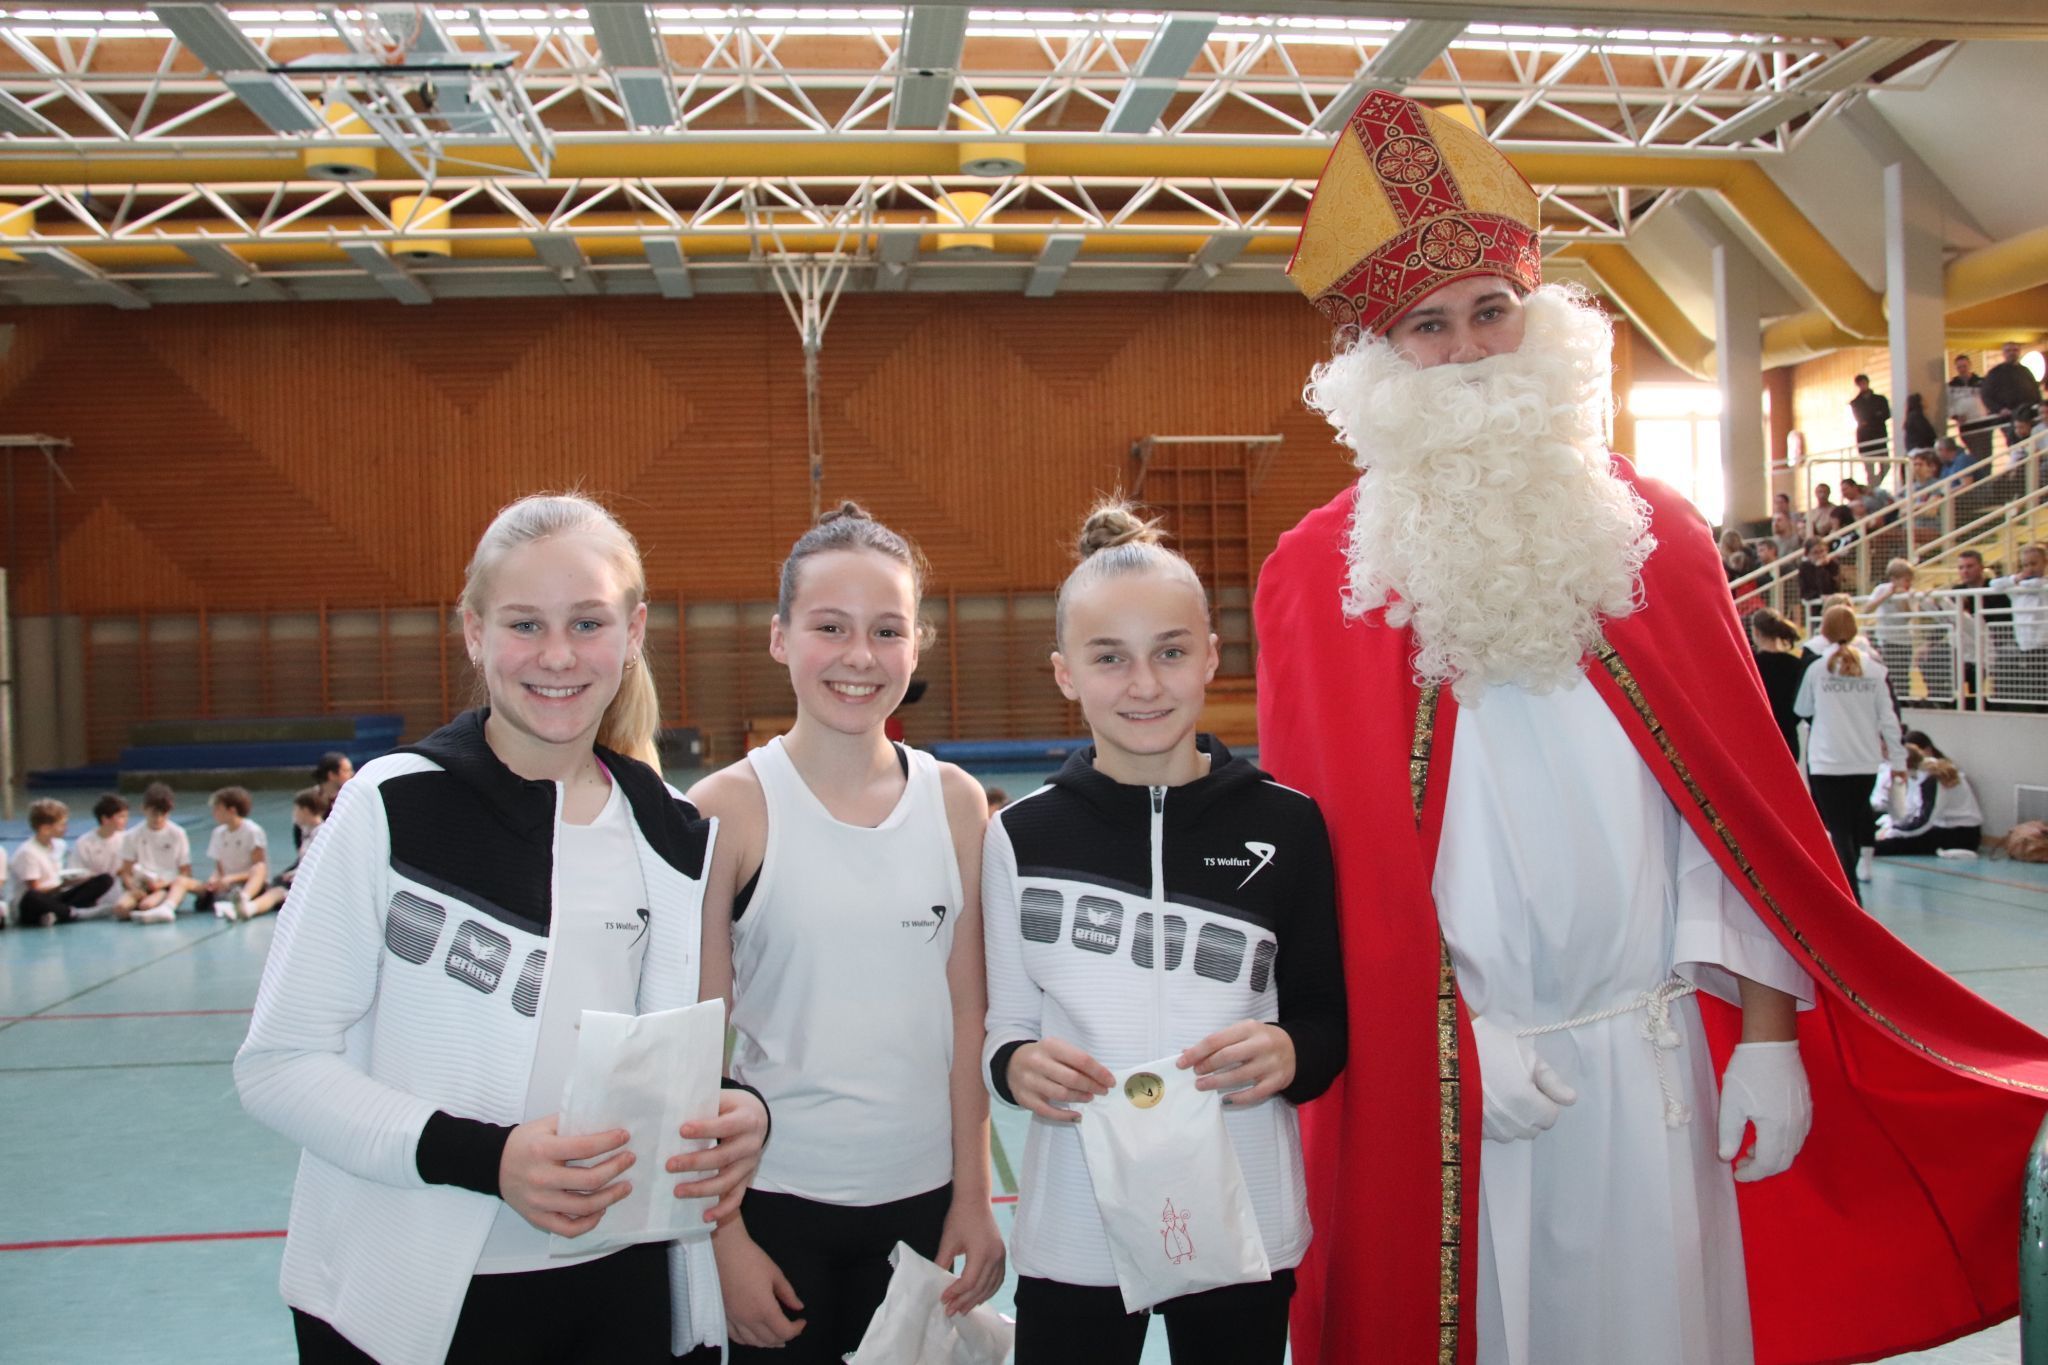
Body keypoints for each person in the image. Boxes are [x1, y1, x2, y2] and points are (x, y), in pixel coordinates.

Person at [1259, 88, 2048, 1365]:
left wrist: (1771, 1041)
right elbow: (1335, 875)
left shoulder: (1653, 536)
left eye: (1491, 311)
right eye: (1426, 325)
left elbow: (1735, 825)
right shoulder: (1320, 574)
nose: (1468, 349)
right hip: (1462, 1078)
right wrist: (1444, 1039)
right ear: (1373, 356)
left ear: (1539, 317)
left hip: (1657, 1054)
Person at [237, 493, 770, 1365]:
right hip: (411, 1302)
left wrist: (738, 1112)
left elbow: (663, 1064)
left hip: (621, 1288)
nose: (557, 656)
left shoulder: (673, 831)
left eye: (587, 622)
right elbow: (279, 1066)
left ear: (633, 632)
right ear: (475, 633)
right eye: (525, 623)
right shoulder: (391, 805)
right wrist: (489, 1159)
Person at [982, 502, 1345, 1365]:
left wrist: (1292, 1051)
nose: (1143, 684)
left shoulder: (1288, 826)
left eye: (1171, 652)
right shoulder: (1021, 836)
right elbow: (1005, 1029)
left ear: (1212, 657)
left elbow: (1327, 1019)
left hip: (1241, 1213)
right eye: (1110, 658)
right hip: (1076, 1222)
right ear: (1066, 672)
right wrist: (1016, 1065)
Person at [689, 503, 1004, 1363]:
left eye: (887, 630)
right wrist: (722, 1242)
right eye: (830, 627)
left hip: (923, 1207)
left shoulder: (954, 803)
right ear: (781, 637)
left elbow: (968, 1015)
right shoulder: (729, 810)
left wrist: (973, 1197)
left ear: (917, 643)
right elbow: (693, 1052)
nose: (860, 657)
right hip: (776, 1211)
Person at [1794, 607, 1904, 898]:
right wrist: (1898, 760)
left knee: (1839, 828)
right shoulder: (1876, 670)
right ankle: (1850, 886)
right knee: (1853, 825)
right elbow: (1889, 719)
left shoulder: (1817, 669)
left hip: (1827, 761)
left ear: (1825, 631)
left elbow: (1802, 709)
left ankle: (1849, 893)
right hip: (1864, 761)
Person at [7, 799, 115, 927]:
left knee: (104, 879)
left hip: (55, 894)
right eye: (62, 825)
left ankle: (57, 913)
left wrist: (77, 881)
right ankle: (72, 913)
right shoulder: (27, 852)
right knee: (33, 897)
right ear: (46, 829)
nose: (66, 828)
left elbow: (56, 877)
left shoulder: (59, 845)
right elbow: (35, 889)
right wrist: (63, 884)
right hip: (31, 904)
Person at [1875, 731, 1982, 857]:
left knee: (1896, 844)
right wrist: (1892, 825)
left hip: (1961, 834)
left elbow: (1925, 820)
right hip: (1940, 826)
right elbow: (1911, 810)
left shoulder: (1932, 777)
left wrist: (1895, 831)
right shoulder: (1918, 773)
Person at [240, 787, 330, 921]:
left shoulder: (323, 833)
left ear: (305, 810)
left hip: (313, 886)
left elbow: (320, 864)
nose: (294, 814)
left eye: (296, 810)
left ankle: (249, 908)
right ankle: (246, 903)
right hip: (299, 879)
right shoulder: (305, 832)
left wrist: (297, 875)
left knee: (276, 893)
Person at [121, 782, 198, 923]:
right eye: (154, 814)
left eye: (164, 814)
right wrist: (132, 887)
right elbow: (126, 871)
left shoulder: (178, 833)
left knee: (146, 905)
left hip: (167, 883)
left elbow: (185, 872)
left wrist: (163, 884)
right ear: (144, 809)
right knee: (120, 909)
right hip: (142, 884)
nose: (158, 819)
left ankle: (158, 905)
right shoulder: (132, 835)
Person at [1748, 610, 1815, 760]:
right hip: (1788, 736)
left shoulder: (1751, 666)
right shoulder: (1796, 665)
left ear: (1756, 632)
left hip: (1757, 738)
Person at [195, 785, 269, 921]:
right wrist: (214, 879)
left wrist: (232, 878)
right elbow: (219, 868)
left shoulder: (252, 831)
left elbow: (259, 868)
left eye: (218, 809)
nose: (214, 813)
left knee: (259, 868)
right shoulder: (218, 833)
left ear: (232, 810)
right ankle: (227, 905)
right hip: (227, 885)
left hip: (247, 883)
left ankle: (243, 899)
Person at [1990, 542, 2048, 711]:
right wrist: (2015, 578)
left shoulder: (2044, 584)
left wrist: (2022, 583)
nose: (2029, 569)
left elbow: (2036, 584)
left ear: (2045, 562)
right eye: (2025, 565)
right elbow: (1994, 584)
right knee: (2033, 689)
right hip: (2025, 646)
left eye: (2034, 563)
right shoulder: (2015, 589)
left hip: (2044, 645)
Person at [69, 792, 138, 919]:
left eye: (126, 816)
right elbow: (76, 875)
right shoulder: (84, 843)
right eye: (121, 817)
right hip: (95, 889)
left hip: (119, 887)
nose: (125, 820)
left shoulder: (126, 838)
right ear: (105, 819)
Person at [1862, 558, 1922, 693]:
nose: (1909, 583)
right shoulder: (1881, 589)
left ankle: (1904, 700)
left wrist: (1903, 598)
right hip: (1886, 639)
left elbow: (1908, 617)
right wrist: (1887, 595)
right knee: (1887, 674)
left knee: (1903, 676)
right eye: (1906, 580)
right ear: (1894, 579)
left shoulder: (1910, 593)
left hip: (1905, 641)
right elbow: (1867, 609)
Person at [1982, 341, 2043, 445]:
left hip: (2029, 415)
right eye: (2008, 350)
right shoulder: (1995, 373)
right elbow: (1986, 395)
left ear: (2019, 352)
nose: (2012, 353)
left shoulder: (2025, 371)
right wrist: (1999, 409)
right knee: (2016, 444)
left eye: (2015, 350)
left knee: (2033, 443)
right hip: (2008, 418)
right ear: (2003, 353)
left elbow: (2036, 391)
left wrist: (2039, 407)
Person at [1849, 374, 1891, 484]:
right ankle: (1873, 487)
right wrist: (1875, 416)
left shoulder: (1880, 399)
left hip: (1879, 436)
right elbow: (1861, 418)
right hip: (1865, 439)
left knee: (1886, 465)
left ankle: (1874, 487)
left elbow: (1886, 414)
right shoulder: (1855, 403)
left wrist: (1872, 418)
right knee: (1869, 470)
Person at [1796, 536, 1841, 603]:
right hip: (1814, 604)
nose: (1820, 555)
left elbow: (1832, 588)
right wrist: (1819, 596)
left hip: (1832, 602)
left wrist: (1820, 568)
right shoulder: (1804, 567)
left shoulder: (1833, 564)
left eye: (1822, 551)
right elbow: (1804, 593)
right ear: (1807, 555)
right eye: (1815, 553)